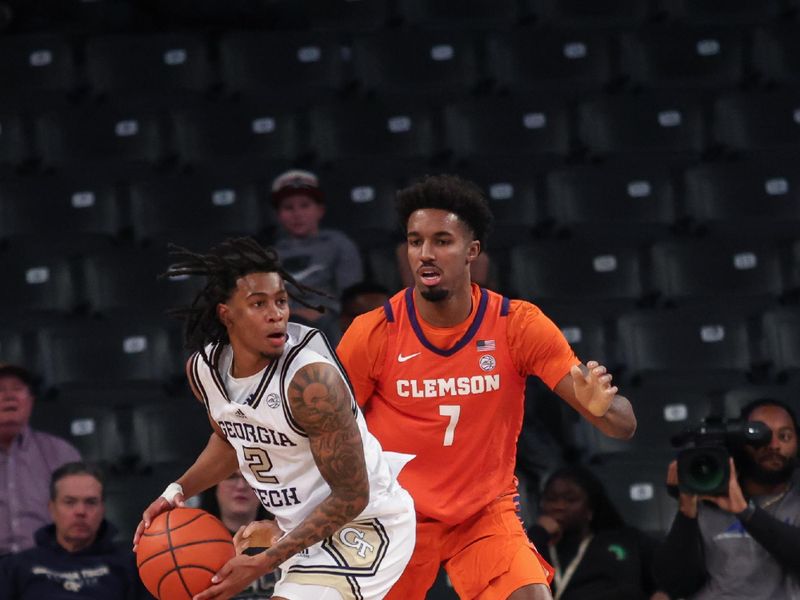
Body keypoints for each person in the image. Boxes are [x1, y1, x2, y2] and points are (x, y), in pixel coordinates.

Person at [336, 174, 637, 600]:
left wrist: (602, 407)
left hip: (483, 512)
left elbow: (622, 428)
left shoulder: (517, 325)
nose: (426, 254)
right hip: (393, 512)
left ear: (472, 252)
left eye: (443, 241)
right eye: (415, 240)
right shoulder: (373, 333)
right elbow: (329, 434)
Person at [132, 237, 415, 600]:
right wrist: (178, 490)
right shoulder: (205, 369)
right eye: (258, 303)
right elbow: (230, 441)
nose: (276, 313)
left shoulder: (312, 382)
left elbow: (352, 495)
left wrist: (263, 562)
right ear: (226, 313)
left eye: (281, 301)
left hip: (367, 523)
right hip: (304, 531)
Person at [653, 398, 800, 599]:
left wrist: (745, 512)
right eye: (760, 436)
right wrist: (686, 512)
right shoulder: (708, 498)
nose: (773, 445)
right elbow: (676, 584)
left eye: (785, 436)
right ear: (741, 442)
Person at [0, 461, 151, 599]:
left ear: (103, 509)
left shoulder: (132, 565)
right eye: (69, 502)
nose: (80, 511)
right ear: (51, 508)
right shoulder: (14, 567)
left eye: (91, 502)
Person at [528, 465, 662, 600]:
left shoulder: (628, 541)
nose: (559, 506)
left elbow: (670, 575)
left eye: (570, 499)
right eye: (551, 499)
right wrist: (539, 533)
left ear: (590, 508)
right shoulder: (537, 544)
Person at [271, 168, 365, 345]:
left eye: (305, 205)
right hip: (285, 321)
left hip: (331, 320)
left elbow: (351, 293)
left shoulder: (339, 244)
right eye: (288, 207)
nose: (297, 214)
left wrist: (328, 311)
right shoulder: (270, 254)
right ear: (279, 215)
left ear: (320, 210)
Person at [0, 364, 81, 555]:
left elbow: (82, 515)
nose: (9, 396)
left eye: (18, 389)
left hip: (49, 565)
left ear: (31, 401)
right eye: (0, 390)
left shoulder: (61, 453)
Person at [201, 472, 277, 599]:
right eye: (231, 477)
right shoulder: (195, 544)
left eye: (249, 477)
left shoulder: (288, 537)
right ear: (214, 487)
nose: (241, 486)